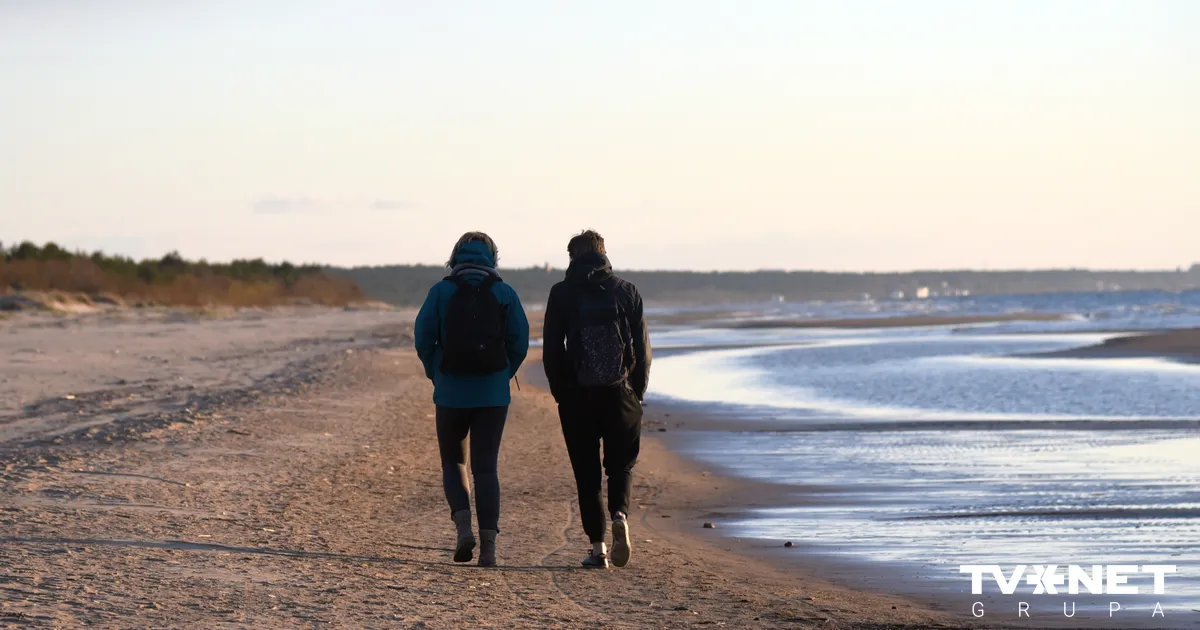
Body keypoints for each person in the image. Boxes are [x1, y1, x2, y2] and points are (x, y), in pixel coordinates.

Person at [415, 232, 529, 567]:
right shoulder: (505, 293)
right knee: (486, 467)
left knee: (453, 462)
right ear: (493, 258)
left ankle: (464, 529)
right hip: (493, 395)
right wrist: (501, 375)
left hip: (450, 391)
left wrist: (436, 372)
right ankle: (489, 548)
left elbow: (423, 338)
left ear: (455, 256)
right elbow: (519, 343)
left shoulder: (440, 291)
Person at [543, 230, 650, 568]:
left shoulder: (561, 294)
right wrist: (637, 392)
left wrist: (563, 394)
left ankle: (597, 549)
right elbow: (643, 351)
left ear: (572, 257)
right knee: (620, 465)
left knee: (586, 474)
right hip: (621, 395)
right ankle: (619, 514)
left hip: (577, 398)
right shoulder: (626, 291)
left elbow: (551, 352)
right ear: (604, 254)